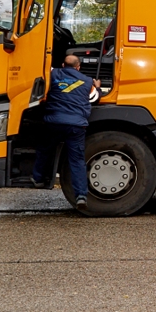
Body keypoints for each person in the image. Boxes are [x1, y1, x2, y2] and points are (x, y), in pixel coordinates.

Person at [32, 55, 101, 211]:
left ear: (63, 64)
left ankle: (38, 179)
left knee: (44, 149)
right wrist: (97, 86)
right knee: (76, 160)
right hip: (76, 126)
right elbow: (94, 98)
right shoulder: (87, 81)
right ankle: (81, 196)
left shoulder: (52, 74)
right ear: (78, 67)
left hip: (53, 122)